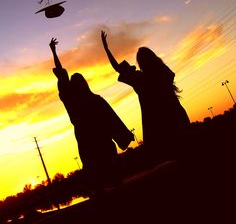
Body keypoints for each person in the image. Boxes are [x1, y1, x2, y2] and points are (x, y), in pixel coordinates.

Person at [49, 37, 134, 192]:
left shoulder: (72, 102)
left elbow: (62, 75)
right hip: (102, 140)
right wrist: (123, 135)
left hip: (87, 142)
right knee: (112, 174)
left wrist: (54, 52)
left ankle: (100, 197)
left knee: (95, 176)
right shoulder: (94, 100)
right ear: (85, 84)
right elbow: (111, 119)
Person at [101, 30, 190, 165]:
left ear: (140, 63)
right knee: (185, 152)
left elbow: (117, 68)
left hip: (156, 124)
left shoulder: (139, 79)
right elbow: (165, 71)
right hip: (176, 116)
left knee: (171, 158)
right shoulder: (162, 73)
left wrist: (106, 49)